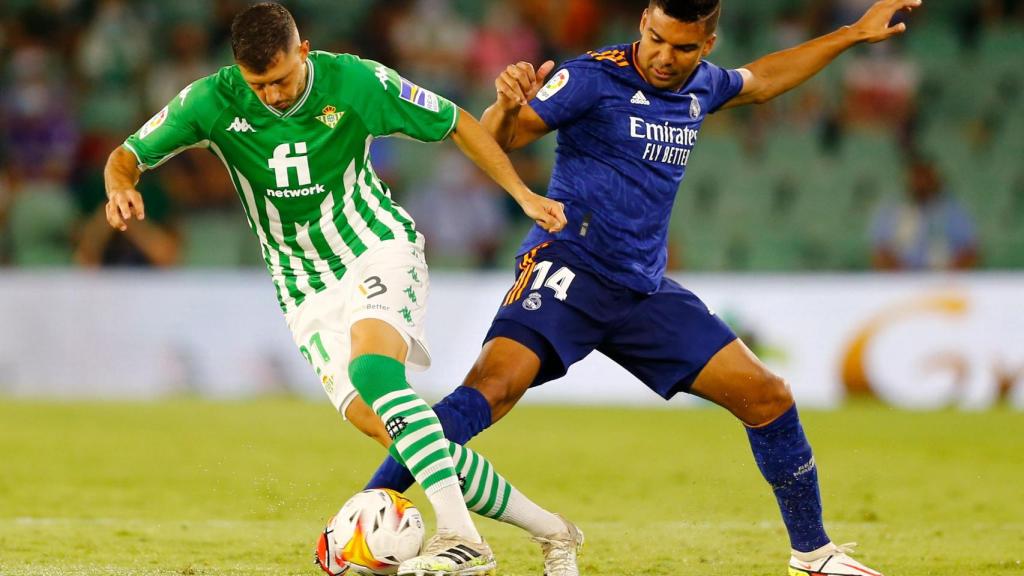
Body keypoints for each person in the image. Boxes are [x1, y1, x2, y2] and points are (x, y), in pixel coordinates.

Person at [366, 1, 923, 575]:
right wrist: (506, 106)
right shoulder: (590, 77)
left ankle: (813, 554)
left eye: (682, 47)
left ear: (706, 45)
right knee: (490, 389)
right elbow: (498, 138)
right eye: (656, 38)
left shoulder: (703, 86)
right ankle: (362, 512)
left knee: (770, 397)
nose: (664, 56)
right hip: (569, 266)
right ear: (642, 24)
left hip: (641, 289)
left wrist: (852, 33)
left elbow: (762, 80)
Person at [101, 3, 577, 575]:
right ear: (238, 71)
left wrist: (523, 196)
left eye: (281, 79)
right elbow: (125, 156)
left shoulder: (355, 80)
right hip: (303, 287)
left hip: (375, 248)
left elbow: (456, 121)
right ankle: (555, 533)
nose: (272, 95)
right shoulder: (211, 101)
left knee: (375, 373)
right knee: (402, 438)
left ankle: (462, 537)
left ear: (302, 52)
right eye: (260, 85)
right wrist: (121, 188)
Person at [871, 155, 978, 270]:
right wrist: (899, 277)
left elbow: (970, 251)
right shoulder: (890, 210)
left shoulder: (954, 211)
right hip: (900, 281)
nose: (921, 183)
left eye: (926, 178)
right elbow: (880, 252)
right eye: (917, 178)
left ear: (936, 180)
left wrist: (950, 276)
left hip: (944, 281)